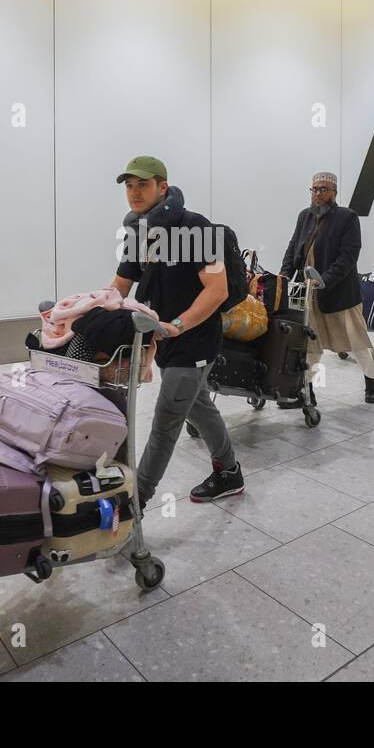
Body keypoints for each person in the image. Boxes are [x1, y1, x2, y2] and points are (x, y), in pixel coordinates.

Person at [109, 156, 242, 506]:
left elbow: (218, 290)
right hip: (161, 338)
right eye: (129, 186)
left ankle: (134, 506)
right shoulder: (139, 232)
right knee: (198, 405)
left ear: (162, 187)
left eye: (143, 185)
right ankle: (229, 472)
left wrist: (179, 325)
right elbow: (120, 285)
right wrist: (87, 312)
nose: (134, 193)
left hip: (194, 339)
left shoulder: (198, 229)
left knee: (165, 422)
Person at [279, 172, 374, 404]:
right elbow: (294, 246)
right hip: (308, 293)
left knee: (356, 342)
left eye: (323, 189)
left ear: (334, 192)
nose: (317, 194)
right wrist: (284, 275)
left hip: (340, 292)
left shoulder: (347, 217)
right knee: (310, 344)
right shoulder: (305, 216)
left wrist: (324, 279)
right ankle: (306, 391)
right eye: (314, 189)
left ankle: (372, 379)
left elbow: (348, 256)